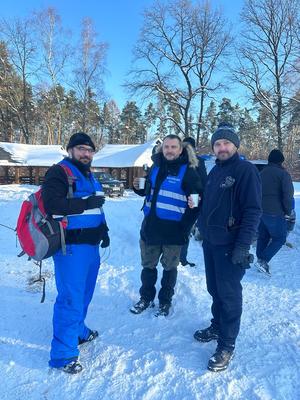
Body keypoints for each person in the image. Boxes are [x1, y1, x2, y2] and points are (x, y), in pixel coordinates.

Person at [194, 122, 262, 372]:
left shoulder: (245, 170)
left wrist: (243, 246)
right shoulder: (214, 172)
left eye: (226, 143)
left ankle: (227, 345)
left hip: (231, 246)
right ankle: (217, 325)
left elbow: (253, 211)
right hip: (211, 244)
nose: (222, 147)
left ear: (235, 145)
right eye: (218, 144)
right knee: (214, 288)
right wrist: (201, 224)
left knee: (229, 295)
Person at [42, 132, 110, 374]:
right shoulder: (59, 172)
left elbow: (97, 208)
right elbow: (52, 205)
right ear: (70, 150)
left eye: (89, 150)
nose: (86, 153)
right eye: (81, 149)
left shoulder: (90, 175)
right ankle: (63, 354)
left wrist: (104, 229)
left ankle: (78, 331)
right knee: (70, 298)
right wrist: (85, 204)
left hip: (90, 247)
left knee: (84, 294)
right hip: (70, 247)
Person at [130, 134, 203, 317]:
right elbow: (149, 192)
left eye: (173, 147)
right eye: (166, 147)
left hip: (174, 232)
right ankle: (145, 298)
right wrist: (139, 188)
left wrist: (184, 228)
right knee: (148, 267)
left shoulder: (189, 171)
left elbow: (196, 203)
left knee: (169, 269)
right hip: (150, 229)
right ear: (162, 149)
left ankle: (165, 302)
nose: (169, 150)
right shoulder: (155, 167)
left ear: (180, 150)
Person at [255, 149, 294, 276]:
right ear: (280, 161)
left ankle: (260, 260)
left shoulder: (261, 173)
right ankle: (263, 260)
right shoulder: (283, 175)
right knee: (280, 238)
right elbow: (287, 195)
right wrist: (288, 211)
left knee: (263, 236)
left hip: (260, 211)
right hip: (275, 212)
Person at [179, 137, 207, 267]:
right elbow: (204, 182)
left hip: (181, 198)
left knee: (182, 229)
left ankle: (179, 258)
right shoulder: (198, 161)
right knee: (185, 230)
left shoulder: (178, 159)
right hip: (193, 198)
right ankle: (181, 258)